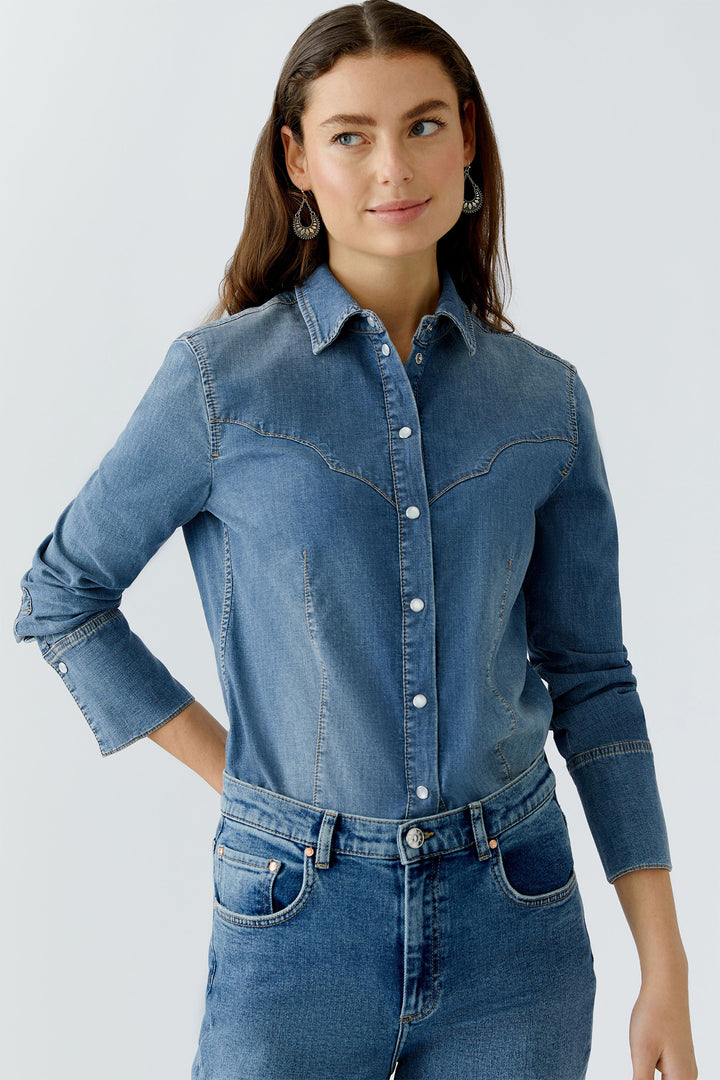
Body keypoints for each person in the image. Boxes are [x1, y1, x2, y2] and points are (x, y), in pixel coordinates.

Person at [13, 2, 698, 1078]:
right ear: (297, 160)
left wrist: (667, 965)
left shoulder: (544, 401)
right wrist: (242, 780)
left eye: (423, 125)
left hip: (516, 920)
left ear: (468, 139)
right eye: (350, 135)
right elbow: (63, 594)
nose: (393, 166)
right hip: (294, 925)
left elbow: (594, 679)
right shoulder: (219, 385)